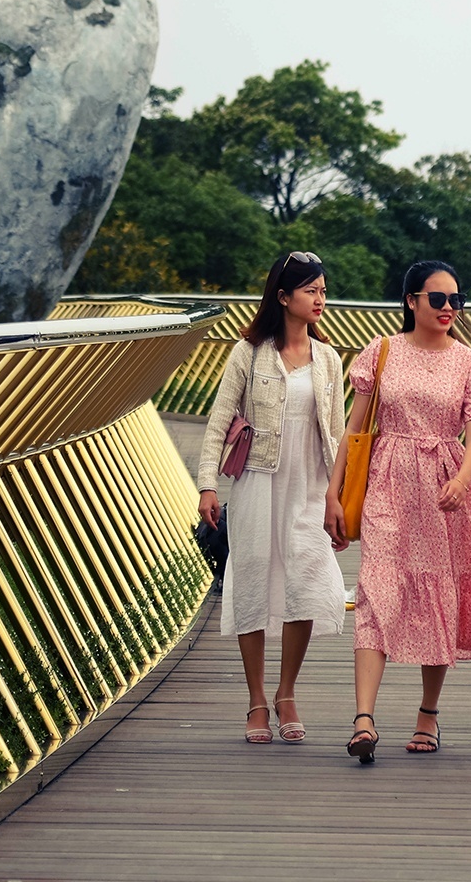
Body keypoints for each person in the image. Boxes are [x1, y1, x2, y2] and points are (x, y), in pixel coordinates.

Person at [325, 261, 471, 763]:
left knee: (439, 592)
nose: (450, 308)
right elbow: (356, 427)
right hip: (387, 483)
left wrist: (462, 477)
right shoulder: (380, 352)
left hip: (444, 489)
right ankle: (364, 719)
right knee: (376, 587)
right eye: (439, 299)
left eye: (458, 299)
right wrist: (333, 492)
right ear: (412, 301)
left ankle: (428, 714)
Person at [198, 252, 349, 744]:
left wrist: (338, 497)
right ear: (283, 297)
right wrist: (206, 485)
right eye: (311, 291)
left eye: (324, 290)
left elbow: (339, 434)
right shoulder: (249, 353)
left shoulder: (328, 358)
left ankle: (287, 692)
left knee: (308, 578)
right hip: (259, 481)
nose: (320, 299)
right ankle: (257, 699)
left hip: (309, 485)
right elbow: (220, 420)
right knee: (255, 581)